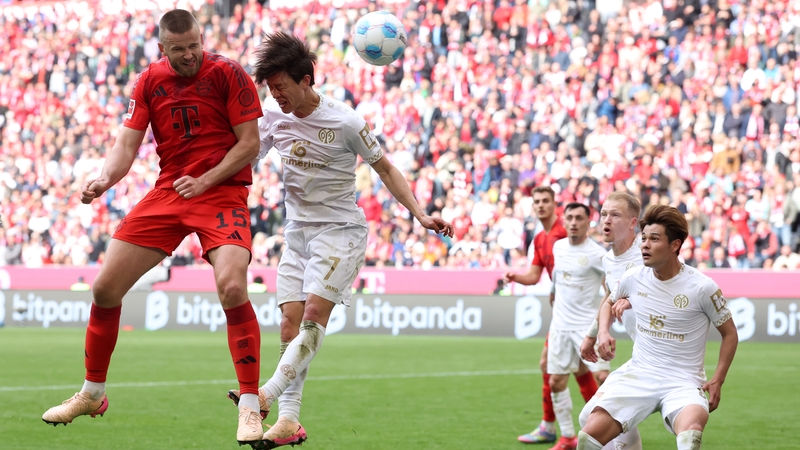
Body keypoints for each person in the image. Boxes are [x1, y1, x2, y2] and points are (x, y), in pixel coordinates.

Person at [41, 10, 267, 446]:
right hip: (170, 191)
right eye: (179, 49)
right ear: (163, 48)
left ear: (202, 39)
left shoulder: (229, 73)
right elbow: (127, 143)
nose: (189, 55)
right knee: (105, 289)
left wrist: (205, 180)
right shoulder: (149, 80)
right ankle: (92, 393)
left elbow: (250, 145)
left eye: (194, 45)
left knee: (232, 287)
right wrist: (104, 179)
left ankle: (250, 405)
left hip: (221, 192)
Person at [226, 31, 454, 449]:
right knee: (289, 322)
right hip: (297, 232)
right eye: (271, 87)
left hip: (340, 231)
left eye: (281, 86)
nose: (276, 95)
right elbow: (246, 156)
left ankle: (265, 395)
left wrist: (420, 214)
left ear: (306, 80)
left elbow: (385, 169)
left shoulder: (346, 122)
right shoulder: (273, 117)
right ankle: (288, 420)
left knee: (313, 315)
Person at [578, 205, 738, 450]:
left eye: (654, 239)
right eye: (643, 238)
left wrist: (718, 379)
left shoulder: (702, 287)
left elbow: (730, 334)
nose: (645, 245)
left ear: (675, 245)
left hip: (683, 381)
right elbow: (608, 302)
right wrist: (602, 332)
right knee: (587, 438)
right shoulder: (633, 277)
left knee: (690, 438)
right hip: (640, 373)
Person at [505, 187, 599, 446]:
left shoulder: (566, 231)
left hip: (579, 315)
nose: (541, 205)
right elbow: (535, 276)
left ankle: (553, 426)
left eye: (546, 201)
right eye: (536, 201)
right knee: (575, 368)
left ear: (555, 204)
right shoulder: (540, 238)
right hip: (562, 313)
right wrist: (516, 277)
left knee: (554, 365)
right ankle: (584, 429)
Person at [579, 191, 643, 450]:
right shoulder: (608, 259)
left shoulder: (650, 251)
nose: (606, 219)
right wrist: (594, 333)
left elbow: (672, 288)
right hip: (643, 355)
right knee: (591, 417)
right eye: (604, 213)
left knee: (686, 428)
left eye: (615, 215)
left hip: (671, 357)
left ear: (632, 222)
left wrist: (634, 300)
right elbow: (609, 296)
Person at [543, 203, 607, 450]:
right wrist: (553, 290)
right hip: (560, 325)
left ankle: (616, 435)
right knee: (556, 382)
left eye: (579, 218)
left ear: (588, 222)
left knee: (603, 378)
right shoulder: (558, 247)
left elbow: (610, 288)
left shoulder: (597, 254)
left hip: (586, 327)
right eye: (569, 217)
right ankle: (568, 437)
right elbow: (557, 275)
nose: (573, 222)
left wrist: (605, 323)